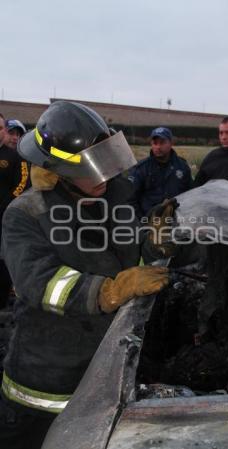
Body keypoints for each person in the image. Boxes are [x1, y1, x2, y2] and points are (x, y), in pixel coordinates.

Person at [0, 101, 169, 449]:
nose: (104, 175)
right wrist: (108, 291)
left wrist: (156, 245)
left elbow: (128, 257)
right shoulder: (25, 214)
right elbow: (40, 283)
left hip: (106, 365)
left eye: (107, 161)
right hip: (46, 384)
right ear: (57, 168)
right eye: (93, 167)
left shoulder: (114, 198)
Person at [128, 127, 192, 219]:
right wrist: (142, 222)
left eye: (162, 143)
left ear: (170, 143)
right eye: (155, 143)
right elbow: (130, 199)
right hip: (148, 223)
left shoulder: (182, 167)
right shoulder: (142, 168)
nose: (158, 147)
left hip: (177, 222)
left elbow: (190, 195)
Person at [0, 114, 29, 308]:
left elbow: (22, 183)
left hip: (4, 218)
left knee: (3, 259)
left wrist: (9, 205)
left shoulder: (15, 158)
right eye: (11, 132)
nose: (14, 137)